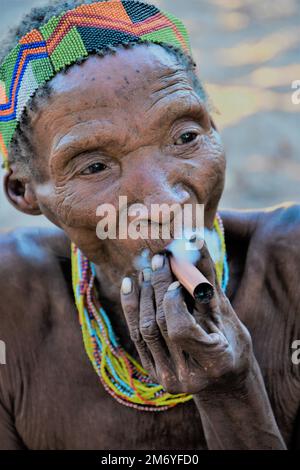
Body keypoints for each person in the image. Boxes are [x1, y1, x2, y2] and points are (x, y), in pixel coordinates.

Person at [0, 0, 299, 450]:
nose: (162, 200)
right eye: (95, 166)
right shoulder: (11, 308)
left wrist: (231, 396)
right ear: (25, 193)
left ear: (214, 129)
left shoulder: (292, 269)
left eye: (185, 137)